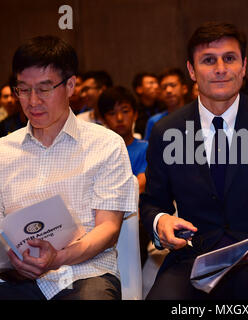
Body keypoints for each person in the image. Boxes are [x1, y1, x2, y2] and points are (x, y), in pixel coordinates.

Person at [142, 22, 248, 300]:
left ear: (243, 66)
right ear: (191, 70)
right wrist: (160, 222)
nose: (220, 68)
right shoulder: (167, 131)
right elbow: (152, 203)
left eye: (229, 58)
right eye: (209, 60)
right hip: (194, 256)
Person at [0, 35, 137, 300]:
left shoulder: (105, 145)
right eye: (24, 90)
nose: (33, 101)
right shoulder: (3, 151)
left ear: (71, 85)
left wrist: (58, 257)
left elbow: (108, 229)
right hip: (15, 279)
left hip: (84, 274)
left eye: (44, 88)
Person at [98, 86, 150, 267]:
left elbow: (140, 186)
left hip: (135, 218)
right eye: (112, 113)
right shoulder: (99, 152)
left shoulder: (146, 148)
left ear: (135, 114)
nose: (119, 118)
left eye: (125, 111)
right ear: (103, 120)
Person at [143, 68, 188, 141]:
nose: (168, 90)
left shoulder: (197, 116)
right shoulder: (155, 121)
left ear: (184, 89)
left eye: (173, 85)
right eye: (164, 87)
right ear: (160, 93)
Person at [131, 72, 162, 137]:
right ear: (139, 89)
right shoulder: (134, 111)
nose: (156, 86)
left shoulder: (164, 107)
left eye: (157, 83)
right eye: (151, 83)